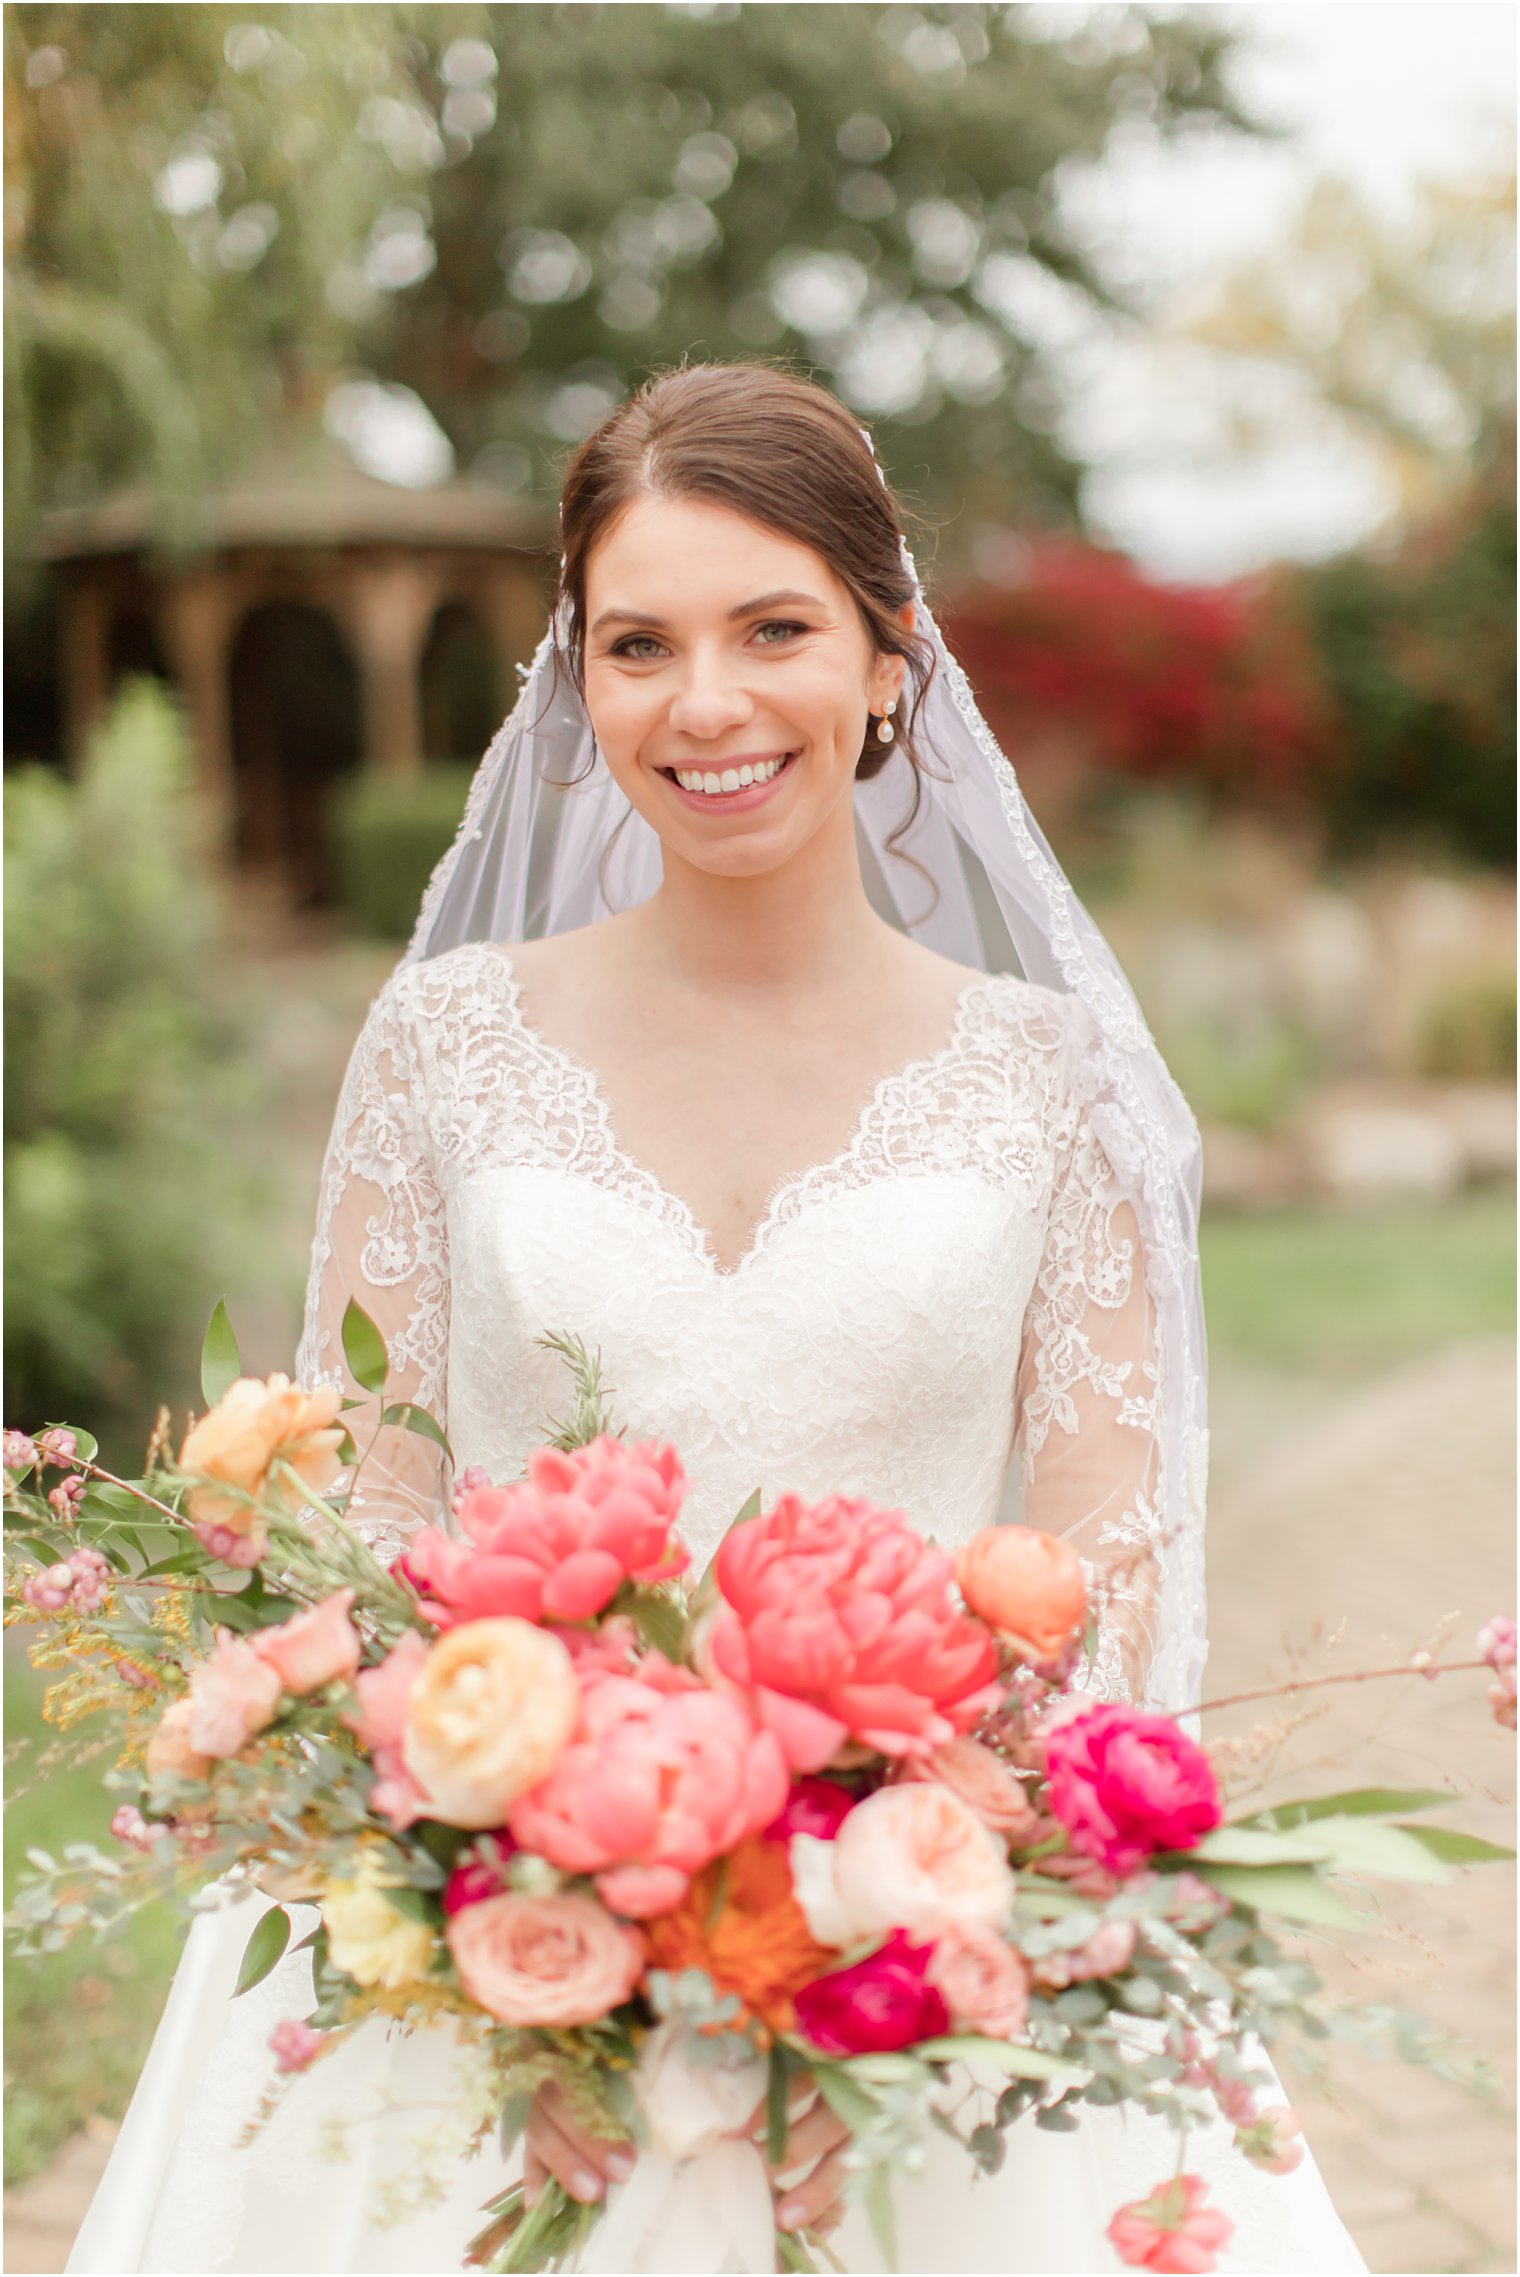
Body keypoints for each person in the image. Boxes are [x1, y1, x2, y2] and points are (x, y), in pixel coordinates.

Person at [68, 363, 1368, 2274]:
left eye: (776, 629)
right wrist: (521, 1914)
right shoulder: (447, 1044)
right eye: (639, 644)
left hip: (925, 1935)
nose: (707, 703)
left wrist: (901, 1964)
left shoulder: (1048, 1079)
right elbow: (366, 1543)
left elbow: (1104, 1581)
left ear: (889, 659)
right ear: (576, 684)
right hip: (497, 1938)